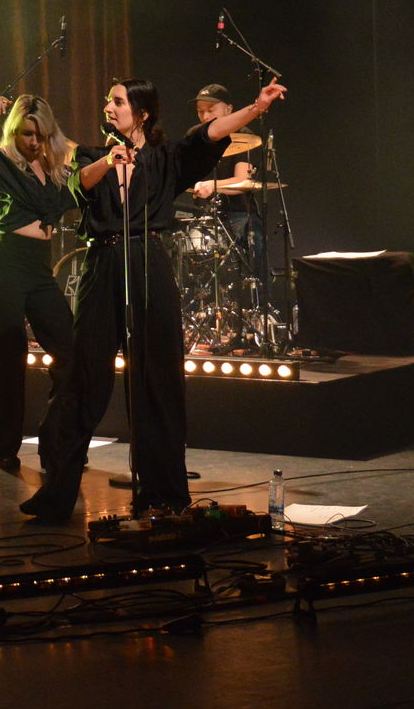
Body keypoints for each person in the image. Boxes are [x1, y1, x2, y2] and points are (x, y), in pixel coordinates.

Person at [21, 76, 287, 521]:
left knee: (158, 378)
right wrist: (108, 161)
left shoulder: (167, 158)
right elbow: (79, 187)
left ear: (142, 114)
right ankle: (57, 495)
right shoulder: (91, 154)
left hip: (148, 261)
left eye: (118, 102)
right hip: (103, 262)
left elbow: (211, 135)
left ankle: (161, 493)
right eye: (109, 101)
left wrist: (256, 107)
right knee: (84, 377)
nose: (109, 107)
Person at [0, 94, 78, 474]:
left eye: (40, 135)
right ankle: (3, 449)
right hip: (9, 263)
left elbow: (77, 157)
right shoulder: (1, 161)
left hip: (41, 270)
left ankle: (56, 440)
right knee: (10, 362)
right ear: (14, 131)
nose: (33, 142)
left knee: (71, 355)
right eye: (26, 134)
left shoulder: (55, 166)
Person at [188, 83, 263, 282]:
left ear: (229, 109)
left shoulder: (243, 134)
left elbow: (242, 180)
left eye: (210, 110)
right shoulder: (196, 136)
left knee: (250, 279)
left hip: (240, 215)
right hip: (207, 215)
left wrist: (211, 186)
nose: (204, 117)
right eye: (200, 111)